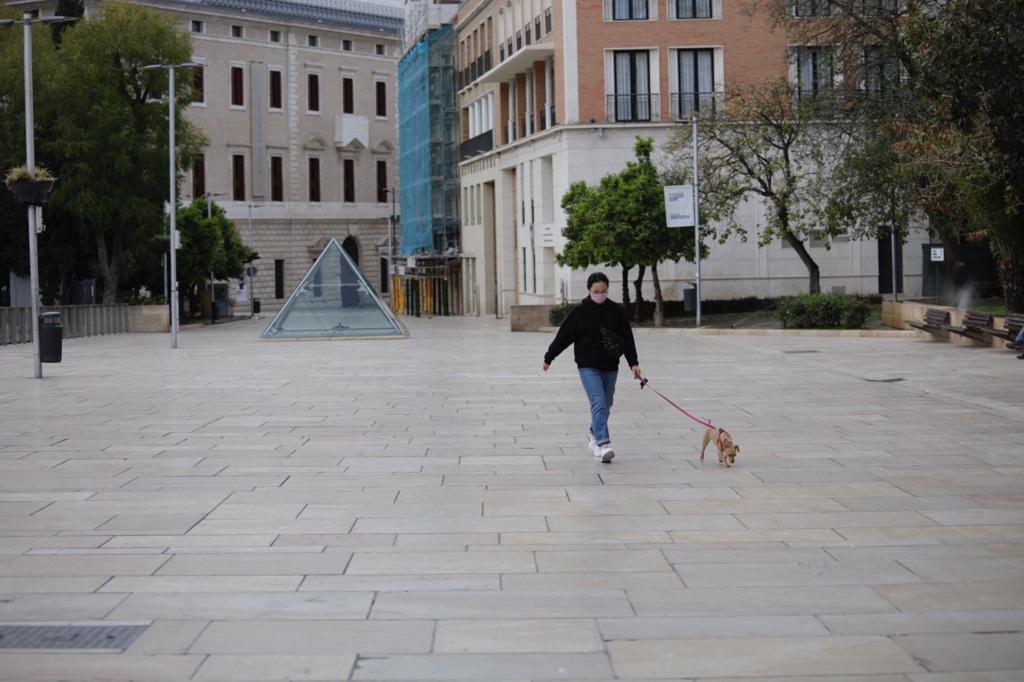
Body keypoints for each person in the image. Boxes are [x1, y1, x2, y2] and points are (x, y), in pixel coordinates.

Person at [543, 272, 641, 463]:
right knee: (598, 401)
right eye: (596, 291)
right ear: (589, 290)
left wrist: (634, 363)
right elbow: (564, 336)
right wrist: (549, 357)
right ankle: (604, 444)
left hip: (611, 365)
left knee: (607, 403)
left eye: (603, 291)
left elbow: (627, 339)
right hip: (587, 366)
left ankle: (593, 432)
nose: (600, 294)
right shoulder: (580, 312)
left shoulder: (615, 311)